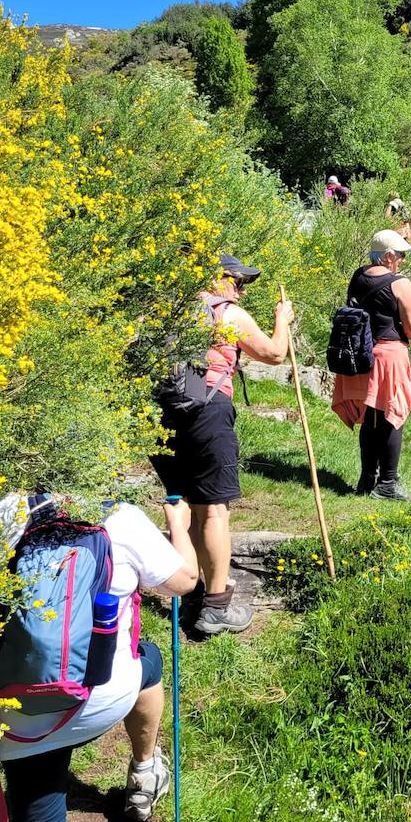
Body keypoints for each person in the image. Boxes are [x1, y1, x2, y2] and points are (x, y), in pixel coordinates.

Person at [0, 496, 200, 822]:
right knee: (149, 660)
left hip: (19, 716)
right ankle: (145, 773)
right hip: (102, 697)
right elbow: (186, 581)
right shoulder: (118, 516)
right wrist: (179, 525)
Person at [151, 253, 293, 635]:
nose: (241, 291)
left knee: (190, 505)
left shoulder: (171, 307)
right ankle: (215, 607)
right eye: (238, 282)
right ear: (221, 280)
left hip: (163, 415)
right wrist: (283, 321)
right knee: (213, 510)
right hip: (209, 412)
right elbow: (274, 354)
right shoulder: (225, 312)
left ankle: (194, 589)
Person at [330, 230, 411, 501]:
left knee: (370, 417)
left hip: (360, 354)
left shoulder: (358, 276)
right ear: (388, 256)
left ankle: (367, 480)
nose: (401, 260)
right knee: (393, 415)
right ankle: (388, 484)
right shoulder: (400, 283)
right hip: (388, 356)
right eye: (399, 255)